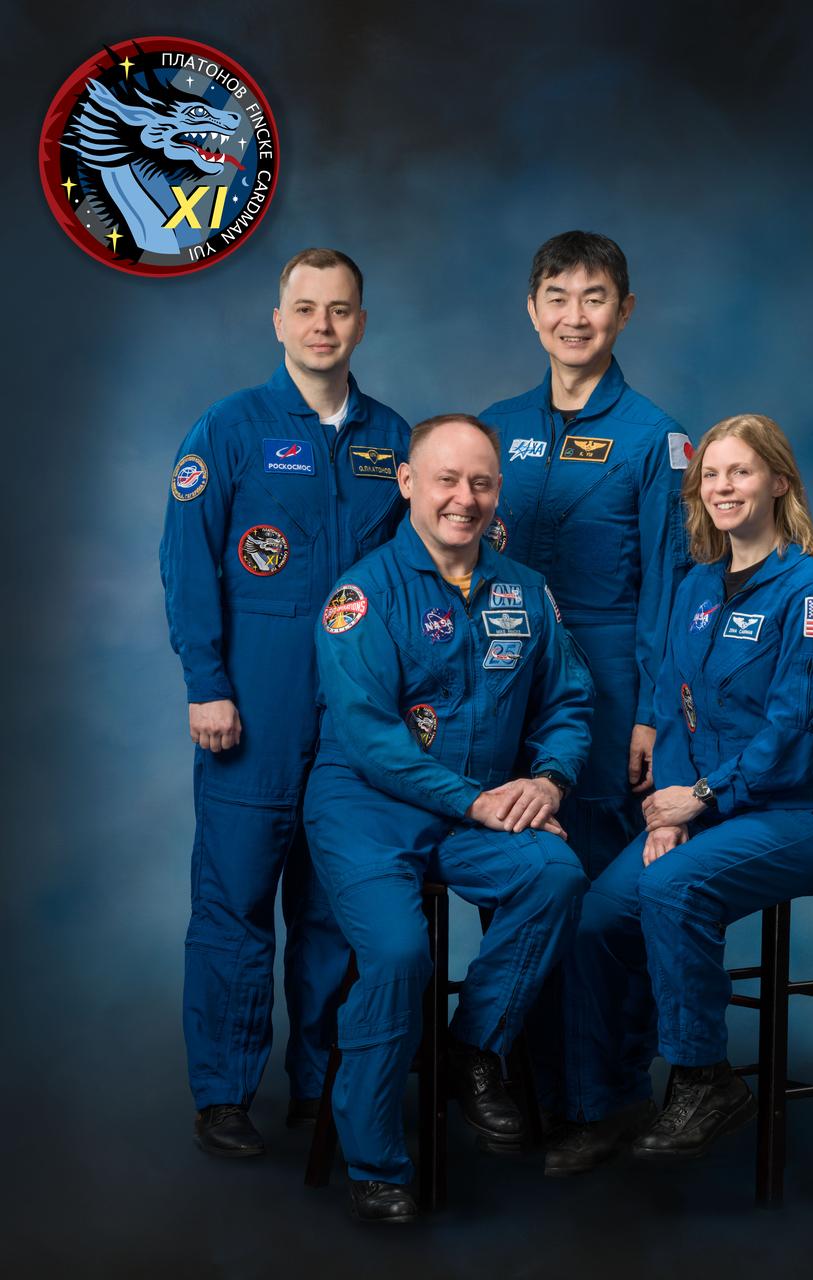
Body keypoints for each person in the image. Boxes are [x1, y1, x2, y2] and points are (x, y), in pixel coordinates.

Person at [545, 413, 813, 1176]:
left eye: (739, 472)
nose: (721, 487)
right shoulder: (695, 586)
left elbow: (797, 732)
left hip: (794, 815)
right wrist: (669, 810)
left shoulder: (811, 592)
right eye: (710, 475)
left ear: (777, 483)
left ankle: (703, 1079)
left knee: (673, 892)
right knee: (594, 916)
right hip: (709, 812)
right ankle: (613, 1099)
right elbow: (678, 703)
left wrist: (701, 799)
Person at [303, 415, 593, 1222]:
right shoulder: (362, 596)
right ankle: (376, 1162)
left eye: (481, 483)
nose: (463, 499)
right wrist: (476, 800)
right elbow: (366, 738)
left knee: (556, 875)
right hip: (368, 808)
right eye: (445, 480)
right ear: (406, 484)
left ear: (497, 491)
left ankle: (471, 1051)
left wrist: (549, 781)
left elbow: (568, 700)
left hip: (483, 805)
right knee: (398, 954)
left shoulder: (525, 591)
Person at [160, 248, 410, 1158]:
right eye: (305, 308)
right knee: (233, 903)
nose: (321, 325)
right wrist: (207, 685)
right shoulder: (227, 430)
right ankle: (224, 1094)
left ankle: (323, 1087)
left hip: (356, 720)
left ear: (360, 323)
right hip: (252, 712)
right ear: (277, 321)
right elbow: (188, 566)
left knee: (333, 910)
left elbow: (418, 579)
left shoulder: (394, 441)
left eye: (339, 309)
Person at [480, 230, 691, 1120]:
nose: (575, 315)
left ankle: (599, 1096)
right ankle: (513, 1081)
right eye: (557, 297)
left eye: (594, 296)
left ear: (624, 311)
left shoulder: (656, 439)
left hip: (610, 693)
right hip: (504, 692)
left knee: (605, 895)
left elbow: (672, 593)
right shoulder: (493, 429)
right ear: (531, 312)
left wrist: (648, 714)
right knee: (520, 879)